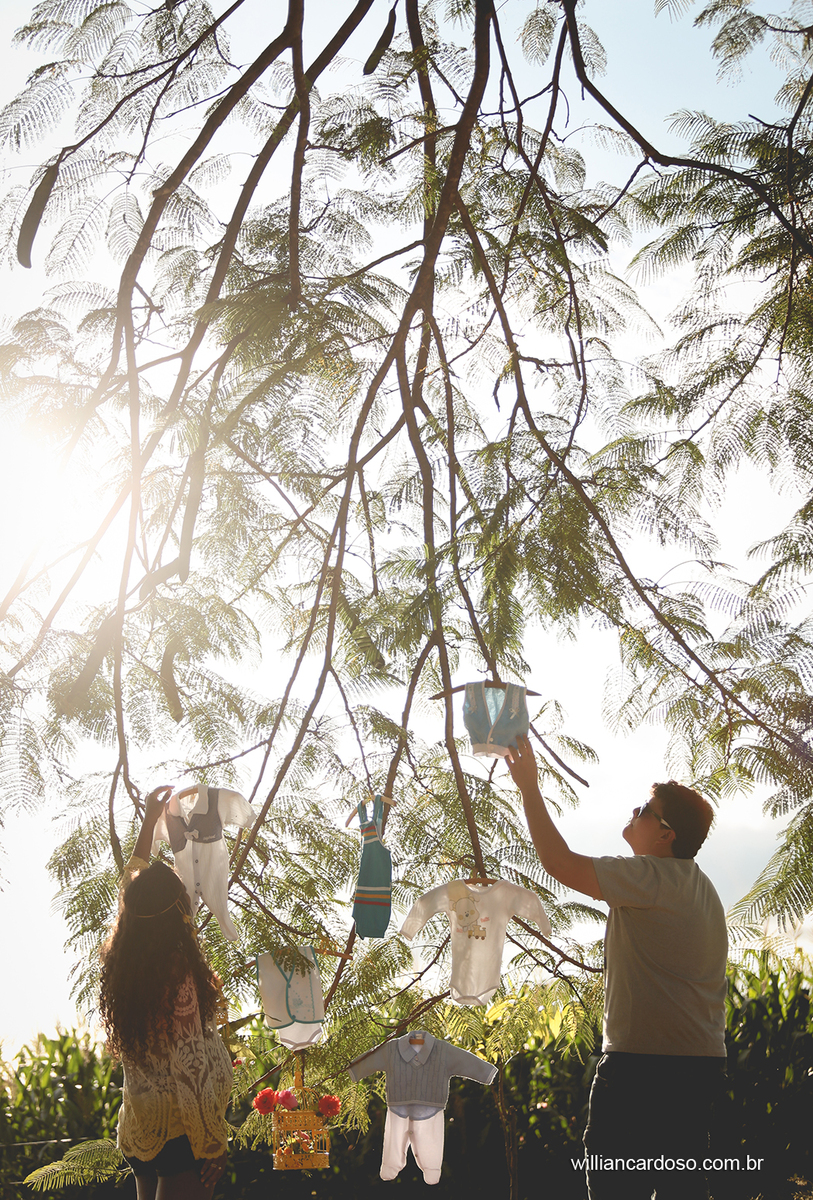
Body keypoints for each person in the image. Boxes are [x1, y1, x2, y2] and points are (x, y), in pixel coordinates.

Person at [506, 735, 727, 1200]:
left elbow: (558, 862)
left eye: (645, 811)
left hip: (641, 1067)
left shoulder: (652, 877)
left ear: (666, 835)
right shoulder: (702, 889)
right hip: (699, 1067)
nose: (634, 814)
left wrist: (528, 788)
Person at [99, 786, 233, 1199]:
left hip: (143, 1128)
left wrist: (148, 823)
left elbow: (132, 884)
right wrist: (212, 1144)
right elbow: (190, 1068)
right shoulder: (176, 973)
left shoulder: (124, 962)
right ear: (178, 912)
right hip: (181, 1134)